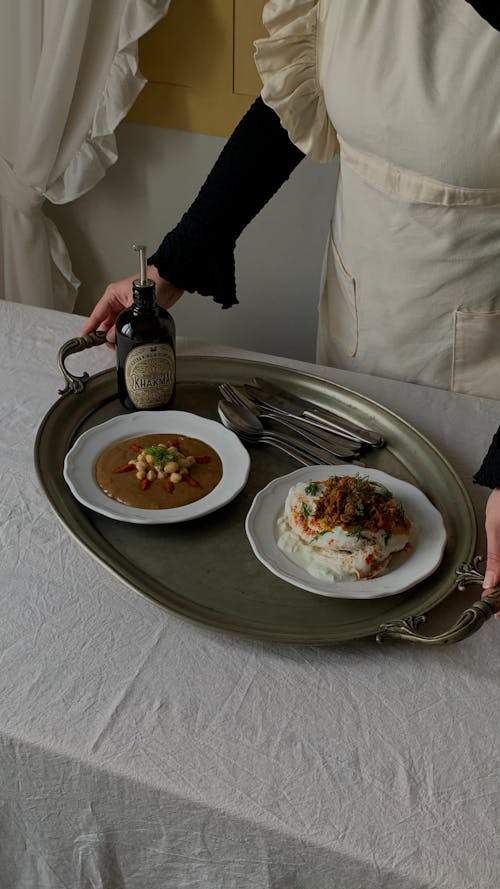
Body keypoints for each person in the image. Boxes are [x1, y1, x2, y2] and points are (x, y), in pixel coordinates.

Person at [80, 0, 500, 599]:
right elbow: (286, 115)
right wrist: (171, 266)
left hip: (485, 380)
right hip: (354, 329)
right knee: (342, 553)